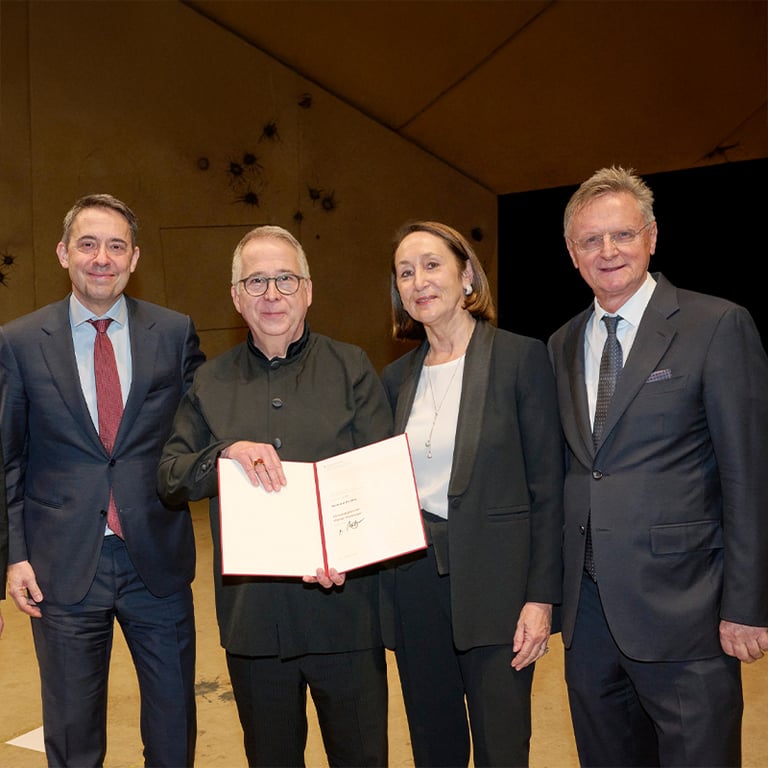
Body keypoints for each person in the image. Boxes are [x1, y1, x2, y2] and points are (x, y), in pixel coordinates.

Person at [548, 166, 768, 767]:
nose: (608, 251)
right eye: (590, 240)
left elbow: (748, 476)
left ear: (652, 236)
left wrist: (747, 605)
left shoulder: (716, 325)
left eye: (622, 234)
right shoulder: (562, 342)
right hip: (589, 612)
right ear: (572, 254)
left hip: (687, 610)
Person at [157, 225, 392, 768]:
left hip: (345, 615)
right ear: (236, 297)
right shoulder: (209, 383)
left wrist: (350, 553)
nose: (271, 294)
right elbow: (169, 476)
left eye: (285, 279)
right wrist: (222, 455)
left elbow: (380, 482)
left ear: (308, 289)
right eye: (256, 281)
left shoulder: (351, 367)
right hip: (254, 624)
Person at [0, 194, 204, 767]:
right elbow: (8, 457)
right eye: (88, 244)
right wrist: (14, 555)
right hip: (61, 566)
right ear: (64, 253)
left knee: (172, 727)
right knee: (72, 732)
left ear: (135, 258)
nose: (102, 258)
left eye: (117, 246)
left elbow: (204, 427)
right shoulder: (18, 341)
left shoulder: (173, 331)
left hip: (156, 560)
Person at [380, 220, 564, 767]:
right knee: (434, 747)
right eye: (406, 272)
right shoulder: (394, 379)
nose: (419, 282)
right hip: (415, 587)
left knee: (502, 747)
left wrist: (541, 598)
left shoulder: (519, 359)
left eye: (432, 265)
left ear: (466, 277)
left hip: (499, 589)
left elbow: (548, 489)